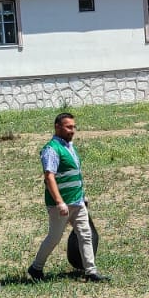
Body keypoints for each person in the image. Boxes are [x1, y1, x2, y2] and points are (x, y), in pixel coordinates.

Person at [27, 113, 108, 282]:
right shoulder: (51, 149)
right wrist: (59, 202)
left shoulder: (69, 147)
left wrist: (83, 196)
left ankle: (91, 271)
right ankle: (36, 268)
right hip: (61, 205)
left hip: (77, 201)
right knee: (54, 238)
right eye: (68, 127)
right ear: (57, 127)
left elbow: (75, 174)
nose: (73, 130)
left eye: (74, 127)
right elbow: (49, 177)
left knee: (85, 234)